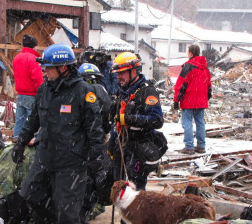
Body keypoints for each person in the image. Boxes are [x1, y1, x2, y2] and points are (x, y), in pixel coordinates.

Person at [11, 43, 104, 224]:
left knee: (69, 215)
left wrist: (95, 160)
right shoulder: (44, 90)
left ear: (63, 67)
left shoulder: (83, 92)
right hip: (45, 158)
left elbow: (94, 130)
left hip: (71, 163)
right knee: (32, 196)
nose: (45, 71)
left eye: (48, 67)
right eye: (44, 67)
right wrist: (20, 143)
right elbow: (33, 120)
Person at [108, 52, 166, 193]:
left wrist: (128, 119)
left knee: (135, 196)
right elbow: (116, 122)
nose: (118, 77)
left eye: (122, 73)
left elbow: (157, 120)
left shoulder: (147, 91)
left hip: (138, 150)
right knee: (120, 192)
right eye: (118, 73)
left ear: (133, 71)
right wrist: (111, 144)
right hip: (121, 148)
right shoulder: (122, 91)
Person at [78, 63, 112, 224]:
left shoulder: (79, 90)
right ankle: (90, 205)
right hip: (98, 140)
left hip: (82, 141)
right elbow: (107, 114)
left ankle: (82, 210)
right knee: (96, 172)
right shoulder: (101, 90)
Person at [174, 44, 212, 155]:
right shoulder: (205, 68)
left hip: (189, 100)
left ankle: (189, 147)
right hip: (201, 100)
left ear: (190, 53)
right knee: (200, 123)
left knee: (187, 123)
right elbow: (209, 86)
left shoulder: (188, 67)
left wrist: (176, 100)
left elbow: (180, 85)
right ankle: (201, 146)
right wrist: (206, 98)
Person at [12, 34, 44, 138]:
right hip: (32, 95)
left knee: (19, 120)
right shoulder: (33, 59)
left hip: (20, 94)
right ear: (34, 46)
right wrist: (42, 93)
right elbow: (37, 79)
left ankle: (16, 138)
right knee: (34, 120)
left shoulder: (17, 58)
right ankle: (34, 139)